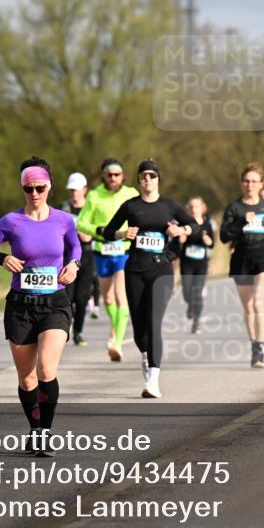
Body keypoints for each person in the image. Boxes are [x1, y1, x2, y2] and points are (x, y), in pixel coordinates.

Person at [0, 157, 80, 454]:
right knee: (27, 377)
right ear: (23, 189)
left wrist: (75, 265)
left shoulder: (63, 220)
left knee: (46, 369)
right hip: (20, 306)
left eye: (39, 187)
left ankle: (45, 432)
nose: (34, 193)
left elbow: (75, 247)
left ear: (49, 187)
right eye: (28, 188)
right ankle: (34, 429)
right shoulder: (11, 222)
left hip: (54, 303)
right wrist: (0, 258)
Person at [102, 160, 198, 398]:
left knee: (154, 322)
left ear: (157, 179)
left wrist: (181, 231)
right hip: (135, 269)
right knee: (139, 329)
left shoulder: (169, 205)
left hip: (161, 269)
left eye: (152, 176)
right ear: (138, 180)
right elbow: (106, 232)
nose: (147, 180)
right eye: (143, 176)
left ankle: (153, 380)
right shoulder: (131, 206)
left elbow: (196, 226)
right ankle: (146, 354)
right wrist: (123, 233)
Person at [75, 158, 140, 361]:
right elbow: (82, 223)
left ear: (123, 176)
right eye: (109, 174)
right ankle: (116, 326)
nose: (113, 178)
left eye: (117, 174)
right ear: (103, 175)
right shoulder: (94, 196)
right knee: (108, 299)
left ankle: (117, 344)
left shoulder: (131, 194)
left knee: (121, 296)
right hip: (102, 251)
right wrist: (99, 231)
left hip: (124, 251)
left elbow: (143, 216)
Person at [220, 162, 264, 368]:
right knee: (248, 307)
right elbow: (224, 236)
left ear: (261, 183)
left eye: (254, 181)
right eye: (246, 181)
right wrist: (241, 222)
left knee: (257, 302)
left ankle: (260, 347)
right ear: (241, 183)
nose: (250, 185)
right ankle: (254, 344)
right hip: (241, 258)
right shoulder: (235, 207)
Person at [60, 172, 96, 347]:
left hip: (87, 256)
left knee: (82, 299)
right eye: (71, 189)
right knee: (67, 298)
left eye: (77, 189)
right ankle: (64, 331)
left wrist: (84, 231)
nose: (74, 193)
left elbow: (91, 236)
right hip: (66, 257)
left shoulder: (90, 209)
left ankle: (79, 332)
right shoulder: (63, 208)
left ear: (85, 190)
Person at [178, 196, 214, 334]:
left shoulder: (207, 224)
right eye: (191, 207)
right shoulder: (184, 224)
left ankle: (197, 322)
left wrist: (207, 239)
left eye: (197, 206)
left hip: (201, 264)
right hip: (186, 263)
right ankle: (190, 306)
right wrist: (181, 238)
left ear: (202, 208)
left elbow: (212, 244)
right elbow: (178, 241)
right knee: (187, 293)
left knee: (197, 292)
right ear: (188, 209)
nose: (194, 209)